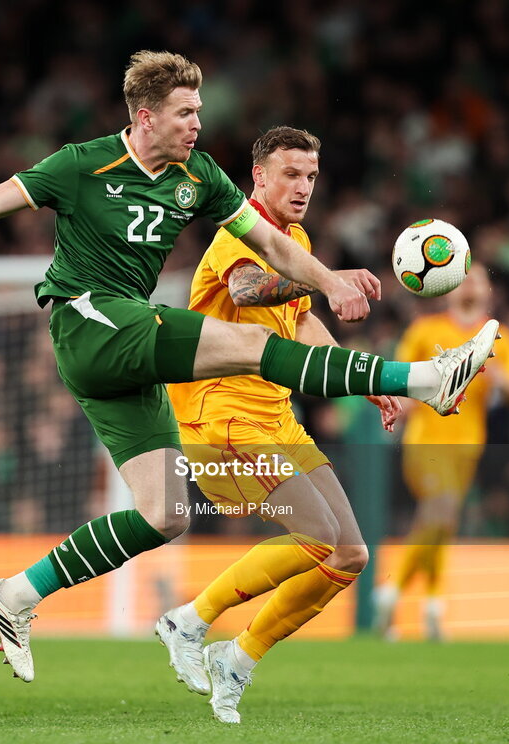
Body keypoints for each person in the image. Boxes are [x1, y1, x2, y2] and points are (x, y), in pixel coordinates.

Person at [0, 50, 498, 682]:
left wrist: (328, 280)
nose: (198, 124)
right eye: (186, 112)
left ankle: (16, 593)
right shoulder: (82, 164)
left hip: (124, 351)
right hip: (89, 319)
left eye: (201, 110)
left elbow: (269, 243)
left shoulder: (198, 179)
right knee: (243, 348)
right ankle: (424, 379)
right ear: (145, 116)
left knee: (165, 514)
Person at [156, 125, 402, 723]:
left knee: (348, 554)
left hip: (276, 417)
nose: (303, 187)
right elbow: (245, 288)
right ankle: (187, 620)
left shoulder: (295, 239)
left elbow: (301, 325)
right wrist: (323, 275)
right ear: (259, 176)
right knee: (318, 537)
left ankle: (237, 659)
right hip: (224, 416)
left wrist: (362, 379)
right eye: (291, 174)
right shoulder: (238, 231)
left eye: (311, 176)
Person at [375, 264, 509, 641]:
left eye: (478, 279)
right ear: (448, 288)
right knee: (440, 508)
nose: (470, 285)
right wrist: (399, 405)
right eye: (464, 279)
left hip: (468, 446)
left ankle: (426, 605)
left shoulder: (498, 337)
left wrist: (496, 375)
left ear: (489, 290)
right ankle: (399, 596)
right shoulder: (425, 330)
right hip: (426, 440)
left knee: (443, 521)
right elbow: (400, 376)